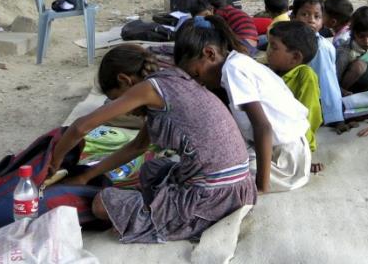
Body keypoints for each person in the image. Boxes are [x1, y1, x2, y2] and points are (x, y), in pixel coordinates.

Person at [47, 44, 256, 243]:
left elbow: (80, 127)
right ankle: (155, 204)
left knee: (101, 204)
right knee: (152, 168)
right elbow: (138, 146)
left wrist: (53, 164)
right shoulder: (171, 80)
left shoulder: (149, 89)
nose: (125, 109)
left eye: (117, 99)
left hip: (211, 199)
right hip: (239, 189)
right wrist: (86, 176)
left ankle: (158, 211)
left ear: (125, 80)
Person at [176, 16, 312, 192]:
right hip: (289, 153)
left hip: (285, 163)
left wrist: (261, 187)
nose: (199, 81)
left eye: (196, 74)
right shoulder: (237, 62)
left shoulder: (234, 70)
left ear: (210, 54)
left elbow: (263, 127)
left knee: (206, 176)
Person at [267, 21, 324, 172]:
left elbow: (310, 116)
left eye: (274, 47)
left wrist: (306, 153)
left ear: (295, 57)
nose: (268, 52)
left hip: (294, 140)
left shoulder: (305, 75)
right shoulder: (273, 72)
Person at [292, 0, 345, 128]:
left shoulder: (319, 48)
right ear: (293, 17)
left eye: (317, 16)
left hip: (317, 102)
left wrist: (335, 118)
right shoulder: (292, 39)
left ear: (322, 22)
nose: (311, 20)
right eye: (305, 14)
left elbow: (327, 82)